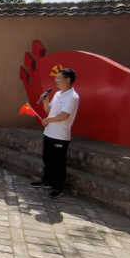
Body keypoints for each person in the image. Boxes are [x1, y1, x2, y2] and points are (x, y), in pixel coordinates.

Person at [31, 68, 80, 199]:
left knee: (59, 162)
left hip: (60, 135)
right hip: (49, 132)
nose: (56, 80)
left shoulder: (73, 97)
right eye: (56, 77)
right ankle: (47, 181)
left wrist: (47, 120)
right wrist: (46, 102)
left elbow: (64, 116)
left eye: (59, 77)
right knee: (48, 159)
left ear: (68, 80)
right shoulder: (58, 94)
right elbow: (50, 111)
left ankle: (58, 188)